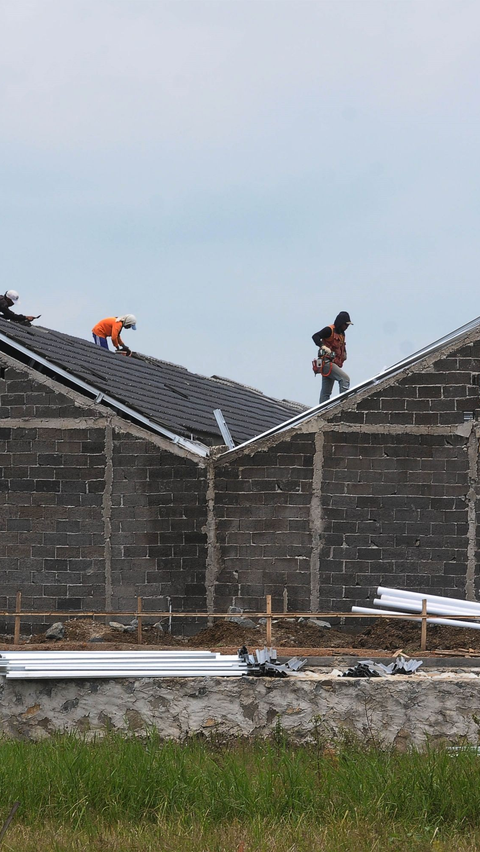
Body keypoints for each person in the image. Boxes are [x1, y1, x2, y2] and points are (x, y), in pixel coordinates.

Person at [312, 311, 353, 403]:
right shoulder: (329, 330)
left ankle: (322, 410)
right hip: (326, 362)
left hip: (333, 363)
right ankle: (344, 404)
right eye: (346, 325)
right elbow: (315, 336)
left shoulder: (342, 334)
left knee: (326, 392)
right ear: (341, 323)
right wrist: (323, 346)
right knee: (344, 379)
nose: (347, 327)